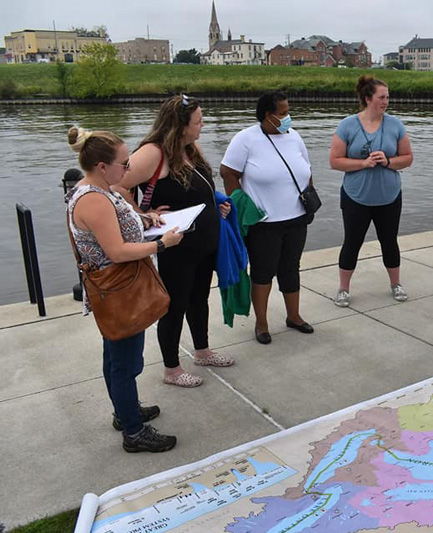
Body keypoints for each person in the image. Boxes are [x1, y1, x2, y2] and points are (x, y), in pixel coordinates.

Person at [66, 126, 182, 452]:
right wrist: (162, 244)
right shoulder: (93, 199)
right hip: (119, 290)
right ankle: (133, 431)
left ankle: (125, 411)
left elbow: (119, 223)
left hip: (119, 288)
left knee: (118, 356)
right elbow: (116, 251)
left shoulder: (101, 190)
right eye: (124, 163)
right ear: (102, 166)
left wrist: (147, 218)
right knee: (125, 362)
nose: (128, 169)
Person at [117, 94, 234, 388]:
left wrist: (217, 204)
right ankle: (171, 369)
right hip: (176, 247)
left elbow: (199, 189)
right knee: (175, 305)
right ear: (180, 125)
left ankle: (202, 351)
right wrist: (143, 213)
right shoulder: (153, 153)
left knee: (199, 299)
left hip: (203, 243)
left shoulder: (189, 149)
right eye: (198, 121)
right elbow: (116, 185)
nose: (203, 125)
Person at [220, 91, 314, 344]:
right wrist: (242, 203)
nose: (288, 117)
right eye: (282, 113)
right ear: (267, 116)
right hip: (264, 223)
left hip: (296, 218)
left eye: (287, 111)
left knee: (291, 268)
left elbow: (306, 169)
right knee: (263, 272)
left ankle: (293, 316)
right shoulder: (246, 139)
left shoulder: (294, 137)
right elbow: (228, 172)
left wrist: (309, 196)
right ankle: (261, 324)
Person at [329, 75, 414, 308]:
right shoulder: (348, 125)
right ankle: (343, 289)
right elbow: (335, 161)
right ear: (368, 99)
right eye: (381, 97)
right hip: (356, 196)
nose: (386, 101)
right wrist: (362, 163)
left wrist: (387, 161)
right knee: (352, 242)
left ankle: (396, 284)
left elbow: (407, 158)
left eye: (388, 97)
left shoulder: (395, 124)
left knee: (389, 241)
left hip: (389, 195)